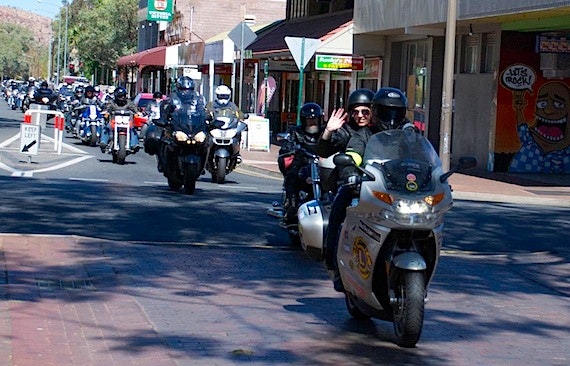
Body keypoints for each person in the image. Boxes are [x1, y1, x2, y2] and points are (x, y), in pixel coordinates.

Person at [324, 87, 413, 292]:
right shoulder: (363, 134)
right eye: (386, 111)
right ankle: (335, 264)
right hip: (365, 186)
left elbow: (421, 156)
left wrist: (433, 176)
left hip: (398, 190)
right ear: (377, 111)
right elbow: (353, 155)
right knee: (339, 213)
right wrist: (351, 173)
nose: (391, 117)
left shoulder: (408, 133)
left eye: (396, 112)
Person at [316, 88, 374, 194]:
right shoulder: (346, 131)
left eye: (365, 112)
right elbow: (323, 152)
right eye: (355, 112)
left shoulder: (378, 131)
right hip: (350, 182)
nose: (360, 115)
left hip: (377, 182)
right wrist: (328, 131)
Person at [277, 102, 324, 224]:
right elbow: (286, 147)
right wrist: (290, 149)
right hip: (302, 163)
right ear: (304, 120)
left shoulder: (325, 133)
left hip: (321, 164)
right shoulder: (296, 132)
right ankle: (291, 204)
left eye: (314, 119)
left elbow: (334, 143)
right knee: (293, 174)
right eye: (309, 119)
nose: (312, 122)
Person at [153, 76, 207, 173]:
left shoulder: (199, 99)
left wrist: (209, 120)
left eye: (189, 89)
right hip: (177, 128)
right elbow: (164, 110)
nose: (186, 92)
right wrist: (163, 120)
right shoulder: (172, 99)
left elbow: (204, 112)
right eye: (183, 89)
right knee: (161, 139)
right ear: (178, 88)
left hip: (193, 129)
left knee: (207, 141)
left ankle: (202, 165)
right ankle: (162, 162)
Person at [205, 84, 246, 161]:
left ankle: (236, 153)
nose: (223, 99)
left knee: (238, 133)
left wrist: (242, 117)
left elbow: (239, 113)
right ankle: (205, 153)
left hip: (229, 128)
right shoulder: (211, 105)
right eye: (221, 96)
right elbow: (205, 112)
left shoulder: (232, 105)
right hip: (215, 127)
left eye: (225, 96)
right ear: (217, 96)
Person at [99, 86, 141, 153]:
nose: (122, 98)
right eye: (120, 96)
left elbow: (133, 108)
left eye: (123, 96)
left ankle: (134, 144)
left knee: (133, 129)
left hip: (127, 122)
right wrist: (107, 112)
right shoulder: (112, 102)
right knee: (106, 128)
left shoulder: (128, 102)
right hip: (114, 121)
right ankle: (103, 142)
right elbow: (108, 108)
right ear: (116, 96)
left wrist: (137, 112)